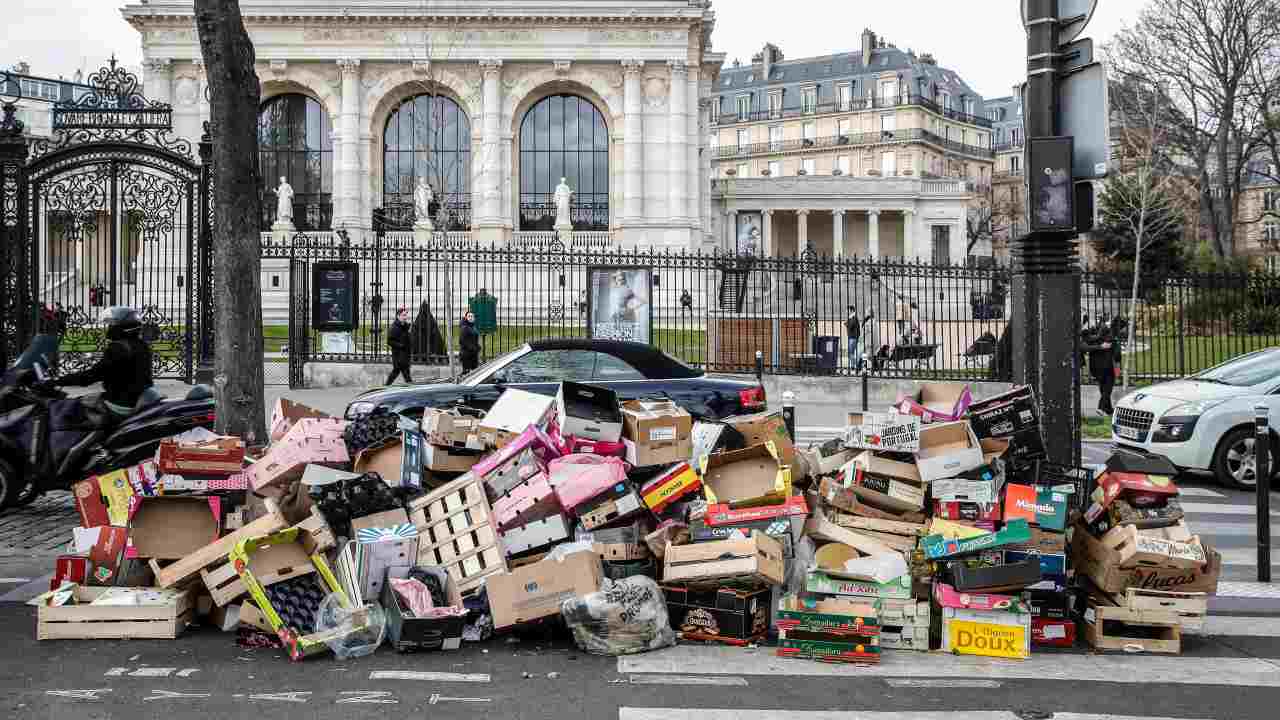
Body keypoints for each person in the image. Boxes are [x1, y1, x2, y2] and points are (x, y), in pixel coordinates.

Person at [53, 306, 153, 419]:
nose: (109, 328)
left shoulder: (119, 348)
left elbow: (90, 377)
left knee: (67, 409)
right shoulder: (141, 345)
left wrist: (58, 381)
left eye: (112, 325)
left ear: (121, 327)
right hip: (138, 398)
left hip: (120, 402)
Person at [1081, 315, 1121, 416]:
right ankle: (1101, 407)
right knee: (1107, 389)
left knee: (1103, 387)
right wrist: (1117, 370)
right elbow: (1117, 356)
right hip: (1107, 368)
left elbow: (1085, 346)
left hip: (1095, 368)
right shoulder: (1112, 339)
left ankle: (1109, 410)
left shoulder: (1092, 339)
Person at [385, 307, 412, 385]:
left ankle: (386, 385)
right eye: (403, 315)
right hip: (398, 355)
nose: (405, 317)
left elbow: (407, 338)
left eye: (406, 315)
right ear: (398, 316)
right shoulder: (394, 327)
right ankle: (411, 387)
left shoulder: (406, 326)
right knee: (404, 373)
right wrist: (401, 345)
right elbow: (389, 341)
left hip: (405, 354)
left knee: (398, 371)